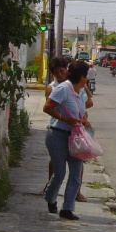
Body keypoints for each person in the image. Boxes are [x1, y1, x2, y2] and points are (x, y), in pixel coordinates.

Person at [43, 60, 92, 220]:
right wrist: (65, 119)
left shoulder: (80, 92)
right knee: (60, 173)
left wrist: (83, 120)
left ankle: (67, 208)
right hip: (57, 134)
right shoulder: (63, 89)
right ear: (82, 77)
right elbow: (47, 107)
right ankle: (50, 198)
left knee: (76, 174)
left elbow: (81, 111)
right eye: (87, 76)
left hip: (75, 138)